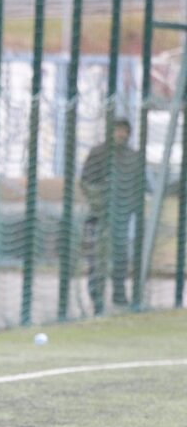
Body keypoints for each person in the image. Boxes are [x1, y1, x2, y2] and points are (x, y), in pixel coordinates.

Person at [79, 118, 140, 313]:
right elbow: (86, 182)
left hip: (122, 217)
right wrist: (101, 203)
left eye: (124, 131)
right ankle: (96, 295)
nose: (121, 134)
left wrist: (129, 206)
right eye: (117, 130)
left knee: (120, 256)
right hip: (99, 215)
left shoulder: (132, 157)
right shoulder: (98, 153)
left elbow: (139, 186)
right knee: (97, 256)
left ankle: (119, 294)